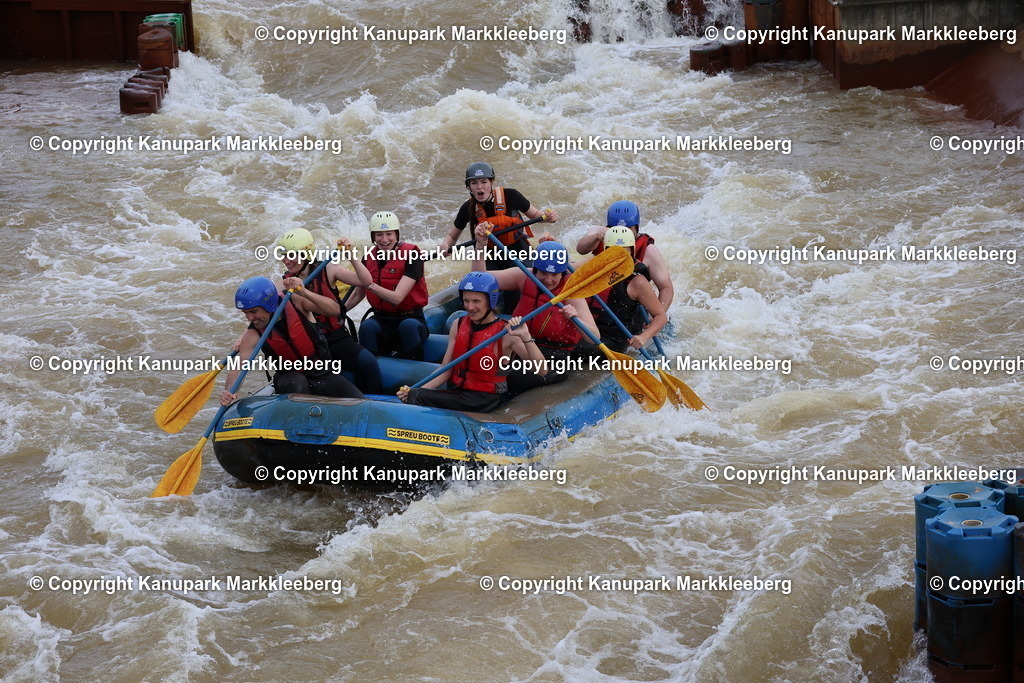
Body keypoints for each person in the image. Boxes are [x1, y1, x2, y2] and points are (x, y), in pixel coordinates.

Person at [471, 230, 598, 395]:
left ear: (563, 273)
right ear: (535, 269)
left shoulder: (572, 293)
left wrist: (575, 318)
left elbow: (594, 336)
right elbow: (479, 279)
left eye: (554, 275)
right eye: (543, 273)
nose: (548, 280)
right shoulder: (523, 277)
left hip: (553, 360)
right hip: (520, 346)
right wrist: (480, 245)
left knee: (507, 378)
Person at [397, 271, 546, 412]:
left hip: (485, 399)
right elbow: (446, 370)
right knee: (416, 394)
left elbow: (541, 370)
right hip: (457, 392)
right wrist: (417, 389)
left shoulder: (506, 333)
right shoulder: (458, 324)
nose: (470, 307)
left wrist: (526, 336)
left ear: (491, 301)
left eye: (476, 301)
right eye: (466, 301)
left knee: (418, 396)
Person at [221, 276, 364, 406]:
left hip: (321, 373)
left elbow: (334, 310)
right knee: (297, 382)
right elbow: (238, 368)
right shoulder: (253, 333)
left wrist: (305, 292)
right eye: (246, 313)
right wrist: (228, 392)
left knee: (359, 402)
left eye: (253, 312)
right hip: (289, 379)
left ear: (269, 304)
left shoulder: (296, 302)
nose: (249, 318)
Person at [275, 228, 382, 394]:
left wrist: (351, 255)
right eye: (283, 255)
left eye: (290, 255)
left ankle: (375, 401)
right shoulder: (284, 283)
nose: (286, 260)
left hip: (335, 337)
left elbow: (366, 280)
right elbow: (264, 310)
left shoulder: (329, 269)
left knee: (369, 363)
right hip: (312, 345)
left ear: (306, 254)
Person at [439, 162, 559, 271]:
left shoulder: (511, 195)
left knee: (521, 276)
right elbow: (452, 236)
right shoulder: (467, 208)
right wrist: (446, 245)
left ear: (491, 182)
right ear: (469, 186)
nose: (479, 187)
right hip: (490, 257)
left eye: (484, 182)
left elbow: (535, 215)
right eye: (474, 183)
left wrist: (549, 217)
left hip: (519, 252)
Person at [345, 212, 430, 361]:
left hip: (411, 318)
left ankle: (415, 374)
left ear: (396, 235)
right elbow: (359, 294)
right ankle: (371, 374)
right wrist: (338, 312)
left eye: (389, 234)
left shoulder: (412, 256)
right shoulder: (368, 258)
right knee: (367, 327)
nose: (384, 239)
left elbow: (397, 298)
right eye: (379, 235)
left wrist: (370, 284)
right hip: (382, 319)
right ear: (373, 237)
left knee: (408, 327)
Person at [575, 200, 674, 309]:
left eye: (628, 229)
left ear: (636, 228)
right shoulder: (600, 233)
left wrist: (657, 314)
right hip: (600, 296)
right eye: (617, 229)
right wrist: (596, 237)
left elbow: (666, 287)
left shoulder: (648, 251)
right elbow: (581, 250)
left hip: (630, 303)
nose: (623, 233)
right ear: (609, 227)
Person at [590, 227, 669, 353]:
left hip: (613, 341)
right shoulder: (595, 266)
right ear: (606, 251)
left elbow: (661, 316)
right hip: (591, 329)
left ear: (632, 251)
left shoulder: (637, 282)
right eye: (614, 252)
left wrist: (644, 336)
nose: (620, 257)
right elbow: (569, 268)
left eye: (624, 251)